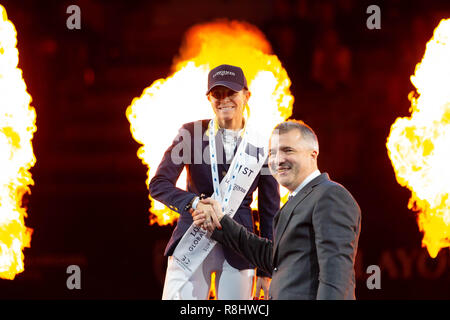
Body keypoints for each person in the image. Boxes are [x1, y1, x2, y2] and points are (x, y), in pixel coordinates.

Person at [149, 64, 280, 300]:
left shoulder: (263, 146)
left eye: (231, 93)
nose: (224, 100)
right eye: (217, 94)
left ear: (246, 96)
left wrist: (265, 268)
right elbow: (158, 184)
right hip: (192, 237)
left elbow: (269, 212)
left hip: (239, 247)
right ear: (209, 98)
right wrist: (193, 202)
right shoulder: (189, 134)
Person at [193, 120, 361, 299]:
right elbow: (271, 258)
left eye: (288, 150)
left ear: (313, 154)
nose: (278, 160)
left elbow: (335, 278)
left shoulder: (330, 195)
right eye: (272, 153)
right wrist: (221, 221)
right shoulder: (297, 200)